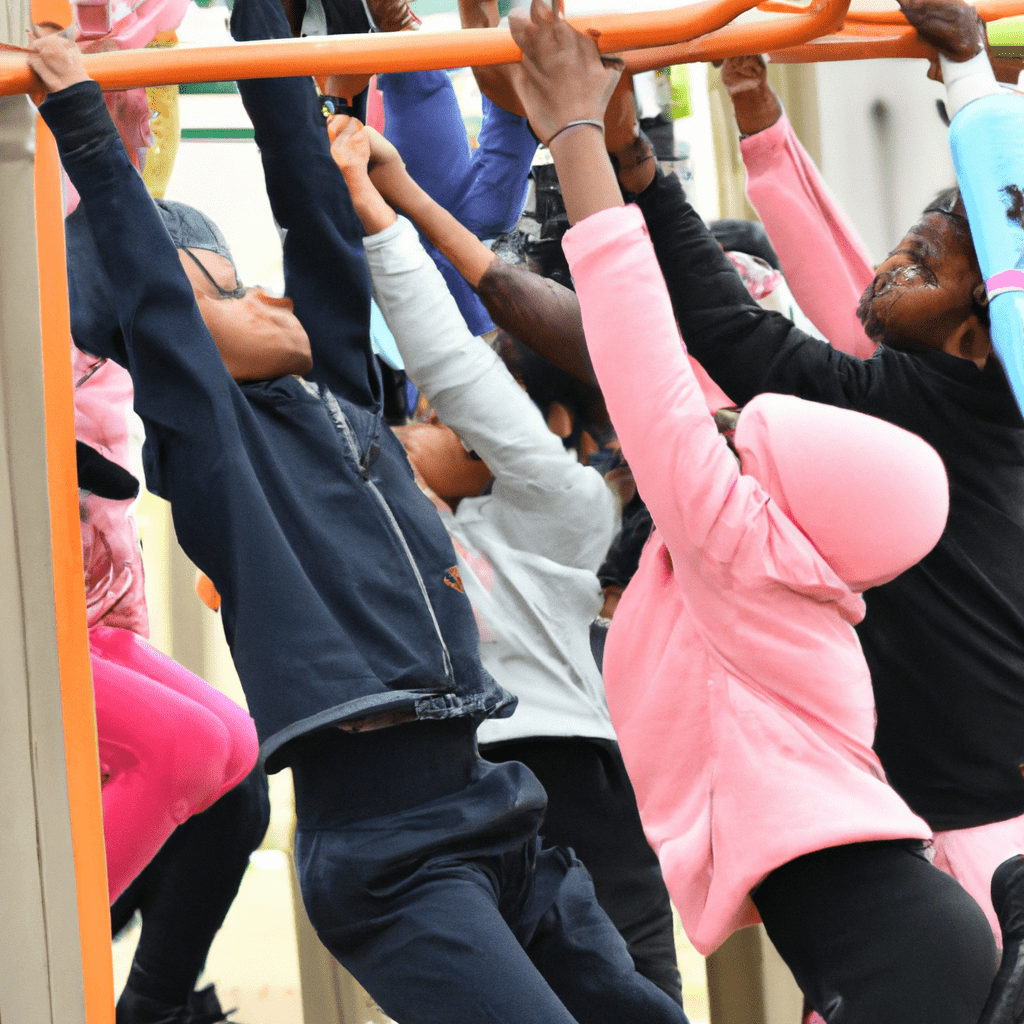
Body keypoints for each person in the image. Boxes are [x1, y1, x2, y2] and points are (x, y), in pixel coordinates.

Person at [28, 10, 690, 1024]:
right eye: (234, 294)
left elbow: (313, 214)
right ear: (178, 337)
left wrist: (275, 26)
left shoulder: (338, 394)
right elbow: (154, 303)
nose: (270, 298)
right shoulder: (216, 448)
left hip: (492, 800)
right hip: (391, 848)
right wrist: (80, 114)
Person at [501, 4, 999, 1022]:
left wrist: (579, 139)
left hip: (954, 867)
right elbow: (839, 302)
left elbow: (658, 367)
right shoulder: (908, 456)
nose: (725, 434)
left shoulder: (742, 555)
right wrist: (743, 122)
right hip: (916, 902)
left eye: (744, 439)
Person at [620, 0, 1024, 946]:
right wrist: (761, 125)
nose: (889, 267)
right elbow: (849, 291)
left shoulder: (926, 408)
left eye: (921, 260)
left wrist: (637, 173)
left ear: (976, 329)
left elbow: (735, 332)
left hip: (975, 838)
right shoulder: (960, 393)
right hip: (971, 803)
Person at [330, 96, 682, 998]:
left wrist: (384, 219)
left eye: (440, 420)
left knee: (635, 998)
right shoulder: (398, 525)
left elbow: (452, 362)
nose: (417, 424)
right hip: (456, 792)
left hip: (569, 781)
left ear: (533, 434)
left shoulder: (563, 512)